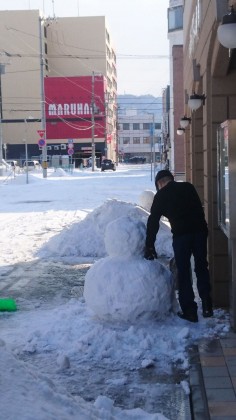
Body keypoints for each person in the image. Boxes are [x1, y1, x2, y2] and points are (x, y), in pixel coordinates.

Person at [144, 169, 213, 323]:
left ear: (159, 183)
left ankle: (190, 311)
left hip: (182, 236)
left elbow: (153, 221)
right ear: (171, 179)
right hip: (200, 231)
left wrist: (149, 245)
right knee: (201, 266)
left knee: (183, 271)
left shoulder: (161, 196)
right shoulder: (188, 187)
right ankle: (207, 304)